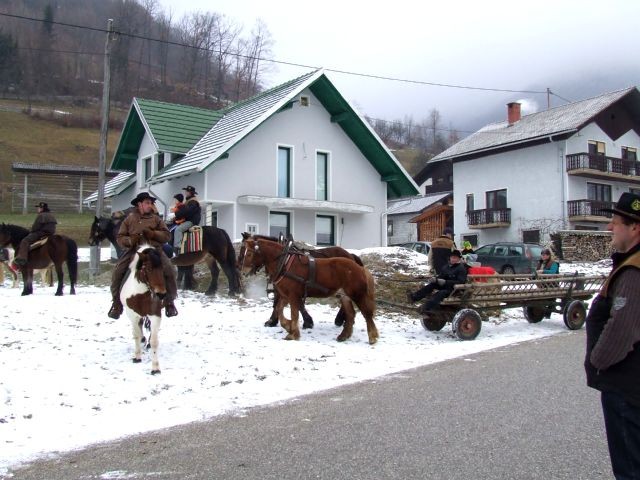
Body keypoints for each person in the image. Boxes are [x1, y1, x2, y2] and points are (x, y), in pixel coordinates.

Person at [585, 191, 640, 479]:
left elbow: (622, 330)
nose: (609, 228)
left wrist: (598, 361)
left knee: (630, 468)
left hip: (626, 387)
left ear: (635, 227)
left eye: (615, 221)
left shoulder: (633, 270)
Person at [107, 192, 179, 319]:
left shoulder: (156, 219)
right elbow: (120, 237)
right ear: (139, 204)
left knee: (170, 270)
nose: (150, 205)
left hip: (155, 250)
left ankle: (169, 302)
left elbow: (167, 235)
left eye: (151, 203)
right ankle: (117, 303)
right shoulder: (129, 219)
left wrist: (154, 234)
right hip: (135, 251)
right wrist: (129, 241)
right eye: (147, 203)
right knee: (118, 271)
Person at [14, 202, 57, 266]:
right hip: (51, 234)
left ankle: (22, 258)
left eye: (39, 208)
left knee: (25, 241)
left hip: (41, 233)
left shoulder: (41, 215)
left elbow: (35, 227)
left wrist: (31, 231)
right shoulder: (51, 215)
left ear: (42, 208)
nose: (38, 209)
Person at [172, 186, 201, 255]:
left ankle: (178, 248)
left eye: (187, 192)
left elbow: (187, 211)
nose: (185, 193)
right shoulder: (189, 201)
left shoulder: (193, 202)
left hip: (192, 221)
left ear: (190, 193)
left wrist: (176, 215)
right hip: (189, 220)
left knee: (178, 229)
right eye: (186, 191)